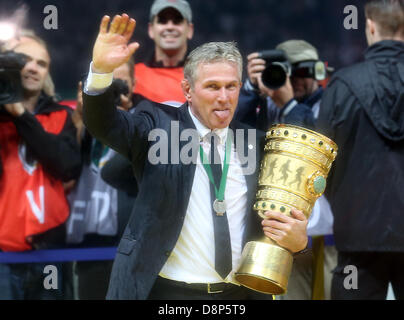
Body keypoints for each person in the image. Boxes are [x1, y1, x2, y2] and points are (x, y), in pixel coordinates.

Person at [82, 13, 308, 300]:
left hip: (238, 294)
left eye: (231, 86)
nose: (224, 97)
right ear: (187, 90)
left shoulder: (256, 142)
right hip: (168, 293)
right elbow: (104, 123)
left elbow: (279, 219)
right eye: (212, 86)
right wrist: (101, 71)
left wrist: (299, 242)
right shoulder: (158, 125)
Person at [235, 40, 337, 300]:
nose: (294, 80)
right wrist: (250, 89)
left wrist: (290, 105)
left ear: (317, 71)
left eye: (302, 72)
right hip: (276, 231)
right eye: (287, 72)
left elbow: (312, 149)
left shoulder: (330, 103)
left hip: (323, 234)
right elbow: (234, 131)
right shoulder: (266, 104)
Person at [317, 0, 404, 300]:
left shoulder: (343, 84)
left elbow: (320, 160)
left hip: (358, 238)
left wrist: (344, 205)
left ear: (369, 26)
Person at [0, 33, 81, 299]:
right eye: (25, 60)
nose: (34, 68)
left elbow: (66, 166)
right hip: (3, 255)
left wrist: (21, 115)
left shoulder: (61, 115)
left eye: (41, 63)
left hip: (49, 250)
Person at [66, 57, 145, 299]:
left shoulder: (147, 119)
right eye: (105, 81)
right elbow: (64, 170)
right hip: (89, 239)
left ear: (133, 83)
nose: (112, 89)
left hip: (133, 237)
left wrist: (124, 122)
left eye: (119, 81)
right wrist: (82, 117)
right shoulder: (73, 120)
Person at [133, 0, 194, 106]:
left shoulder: (204, 77)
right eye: (162, 21)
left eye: (177, 21)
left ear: (190, 30)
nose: (170, 27)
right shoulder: (133, 76)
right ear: (151, 29)